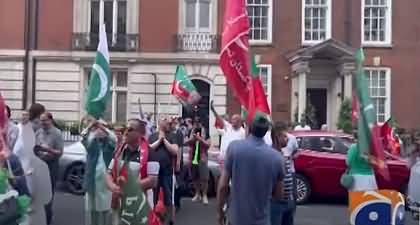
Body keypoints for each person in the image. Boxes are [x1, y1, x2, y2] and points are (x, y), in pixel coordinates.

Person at [217, 117, 285, 225]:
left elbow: (223, 186)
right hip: (262, 220)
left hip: (237, 219)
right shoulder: (277, 157)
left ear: (249, 128)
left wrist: (220, 213)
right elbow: (279, 195)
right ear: (266, 131)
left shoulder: (234, 148)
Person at [106, 119, 159, 225]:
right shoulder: (119, 152)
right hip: (120, 203)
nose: (125, 132)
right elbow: (108, 173)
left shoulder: (151, 153)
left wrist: (128, 188)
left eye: (130, 129)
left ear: (140, 133)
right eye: (125, 128)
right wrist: (112, 186)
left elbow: (152, 181)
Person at [13, 116, 52, 225]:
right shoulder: (17, 164)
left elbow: (47, 197)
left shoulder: (40, 165)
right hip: (29, 212)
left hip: (33, 213)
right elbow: (47, 197)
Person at [81, 118, 116, 225]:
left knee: (105, 209)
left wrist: (104, 128)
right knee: (92, 209)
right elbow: (83, 136)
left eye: (101, 129)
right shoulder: (91, 144)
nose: (99, 131)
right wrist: (91, 125)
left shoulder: (109, 144)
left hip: (106, 183)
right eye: (97, 129)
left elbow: (114, 139)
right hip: (92, 181)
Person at [34, 112, 64, 225]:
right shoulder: (38, 132)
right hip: (39, 165)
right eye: (41, 121)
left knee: (48, 193)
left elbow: (60, 152)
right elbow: (34, 148)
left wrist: (48, 150)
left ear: (50, 120)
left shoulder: (57, 133)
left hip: (51, 166)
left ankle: (47, 219)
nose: (42, 123)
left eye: (44, 120)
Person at [149, 118, 179, 225]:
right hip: (154, 173)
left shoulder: (172, 136)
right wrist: (159, 141)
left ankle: (170, 221)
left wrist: (164, 140)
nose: (168, 123)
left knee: (169, 198)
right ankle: (154, 220)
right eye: (165, 121)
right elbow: (148, 149)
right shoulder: (152, 136)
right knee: (153, 198)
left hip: (167, 172)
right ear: (159, 123)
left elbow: (175, 151)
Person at [270, 122, 296, 225]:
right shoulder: (272, 156)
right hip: (277, 204)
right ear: (277, 137)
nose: (288, 138)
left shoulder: (283, 154)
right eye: (285, 136)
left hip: (288, 202)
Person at [186, 125, 211, 205]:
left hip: (202, 158)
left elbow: (208, 145)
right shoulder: (191, 131)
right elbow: (187, 142)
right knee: (194, 177)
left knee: (204, 178)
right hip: (192, 158)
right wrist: (193, 138)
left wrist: (200, 139)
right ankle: (197, 194)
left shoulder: (206, 133)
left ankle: (204, 195)